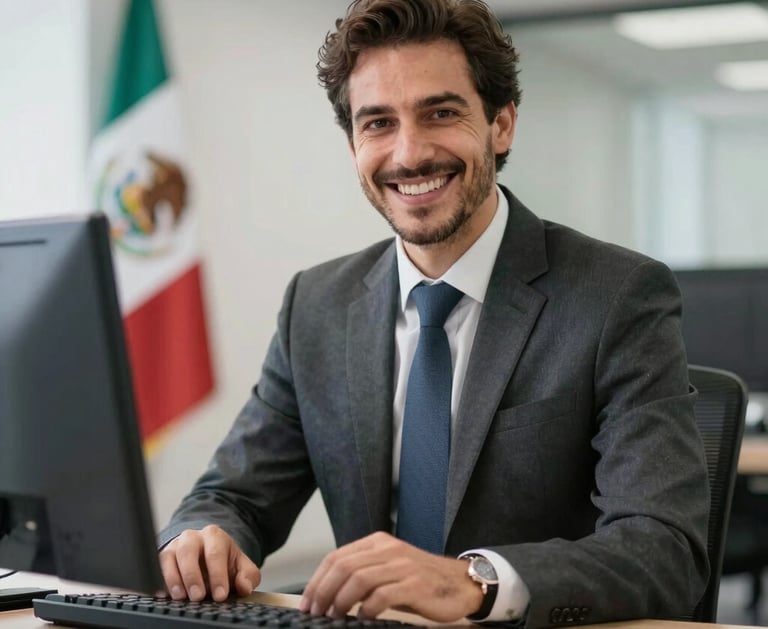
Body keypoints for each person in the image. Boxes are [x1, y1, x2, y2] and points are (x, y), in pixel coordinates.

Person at [157, 0, 710, 626]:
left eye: (441, 113)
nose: (409, 153)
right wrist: (199, 539)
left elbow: (665, 547)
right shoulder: (316, 305)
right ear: (353, 144)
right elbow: (231, 496)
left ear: (501, 124)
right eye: (378, 123)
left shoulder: (618, 296)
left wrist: (476, 581)